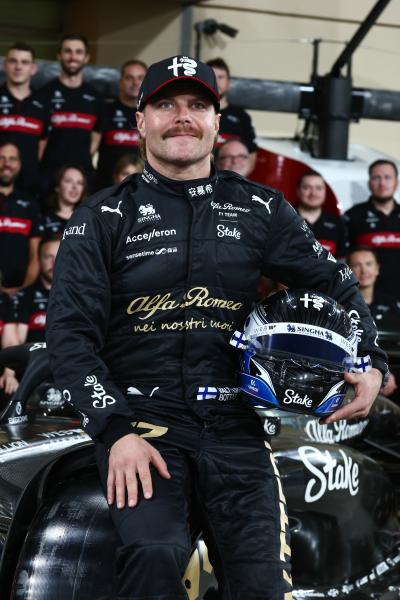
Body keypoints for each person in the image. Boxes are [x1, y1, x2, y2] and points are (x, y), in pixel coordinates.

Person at [46, 55, 387, 600]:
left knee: (263, 587)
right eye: (165, 104)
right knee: (155, 558)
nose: (182, 117)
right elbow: (69, 336)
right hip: (145, 426)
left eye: (197, 105)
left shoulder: (260, 207)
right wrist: (115, 433)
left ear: (216, 122)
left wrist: (369, 363)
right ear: (140, 122)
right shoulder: (101, 217)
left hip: (238, 430)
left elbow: (338, 284)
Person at [38, 34, 103, 192]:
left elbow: (96, 136)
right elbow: (39, 140)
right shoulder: (43, 94)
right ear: (59, 55)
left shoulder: (96, 98)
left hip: (82, 178)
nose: (73, 57)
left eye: (78, 52)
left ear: (86, 57)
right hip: (49, 178)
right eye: (68, 51)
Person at [347, 246, 399, 398]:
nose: (363, 271)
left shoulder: (392, 305)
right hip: (353, 376)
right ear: (348, 270)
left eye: (369, 264)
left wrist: (388, 373)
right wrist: (376, 374)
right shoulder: (340, 306)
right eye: (357, 265)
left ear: (377, 269)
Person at [345, 159, 400, 300]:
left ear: (396, 183)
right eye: (376, 178)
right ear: (370, 183)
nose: (382, 183)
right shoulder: (353, 216)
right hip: (364, 300)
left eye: (387, 177)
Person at [0, 42, 49, 194]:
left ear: (33, 68)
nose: (18, 67)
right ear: (4, 65)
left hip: (29, 184)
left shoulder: (43, 103)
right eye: (13, 61)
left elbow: (43, 143)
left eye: (24, 62)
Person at [0, 141, 43, 295]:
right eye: (2, 158)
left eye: (12, 159)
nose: (6, 164)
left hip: (22, 293)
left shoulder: (30, 204)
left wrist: (22, 289)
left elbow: (34, 256)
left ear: (19, 164)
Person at [96, 60, 147, 188]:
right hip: (107, 188)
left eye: (140, 78)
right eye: (129, 78)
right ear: (120, 82)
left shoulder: (154, 114)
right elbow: (90, 149)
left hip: (144, 189)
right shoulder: (104, 110)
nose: (135, 82)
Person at [207, 57, 257, 173]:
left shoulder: (242, 117)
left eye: (220, 77)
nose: (216, 81)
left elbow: (251, 155)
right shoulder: (194, 114)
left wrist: (239, 183)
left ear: (228, 83)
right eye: (212, 77)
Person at [12, 237, 60, 345]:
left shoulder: (78, 295)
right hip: (33, 360)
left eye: (59, 257)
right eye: (48, 257)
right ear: (38, 259)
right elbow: (16, 344)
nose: (54, 263)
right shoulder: (24, 296)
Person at [296, 170, 348, 259]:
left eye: (318, 188)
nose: (313, 193)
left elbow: (341, 260)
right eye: (307, 188)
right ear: (298, 191)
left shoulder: (337, 223)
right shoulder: (285, 219)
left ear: (325, 192)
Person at [42, 165, 87, 235]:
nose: (75, 187)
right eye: (68, 181)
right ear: (57, 187)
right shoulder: (43, 218)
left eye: (79, 183)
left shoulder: (89, 220)